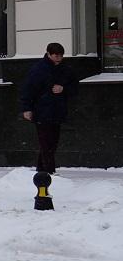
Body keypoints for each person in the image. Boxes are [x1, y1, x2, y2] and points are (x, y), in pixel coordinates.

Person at [19, 42, 80, 176]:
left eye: (61, 56)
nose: (59, 58)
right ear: (48, 54)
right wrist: (27, 108)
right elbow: (28, 89)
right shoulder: (39, 69)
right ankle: (49, 170)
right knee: (47, 142)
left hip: (57, 110)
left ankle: (42, 169)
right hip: (41, 110)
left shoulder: (66, 69)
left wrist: (63, 89)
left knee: (52, 141)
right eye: (56, 56)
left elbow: (75, 87)